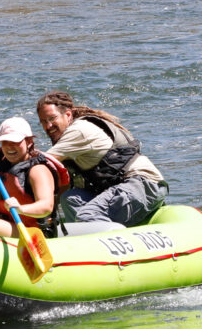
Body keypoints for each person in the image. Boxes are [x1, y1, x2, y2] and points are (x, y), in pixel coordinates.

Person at [34, 91, 167, 228]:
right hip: (119, 188)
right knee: (70, 198)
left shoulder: (79, 131)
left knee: (88, 215)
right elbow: (62, 184)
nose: (48, 126)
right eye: (43, 121)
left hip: (144, 185)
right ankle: (81, 236)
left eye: (52, 118)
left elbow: (42, 164)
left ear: (68, 115)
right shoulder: (68, 141)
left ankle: (104, 242)